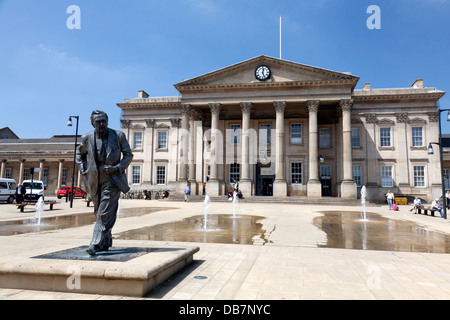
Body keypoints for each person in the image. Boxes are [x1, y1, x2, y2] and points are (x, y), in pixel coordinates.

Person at [76, 110, 133, 256]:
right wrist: (83, 170)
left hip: (113, 179)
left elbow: (128, 155)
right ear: (92, 123)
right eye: (98, 121)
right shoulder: (86, 138)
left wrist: (117, 167)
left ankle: (94, 244)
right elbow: (79, 155)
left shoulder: (118, 136)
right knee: (99, 213)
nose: (101, 124)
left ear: (107, 121)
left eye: (103, 121)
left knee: (103, 213)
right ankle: (105, 242)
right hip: (95, 180)